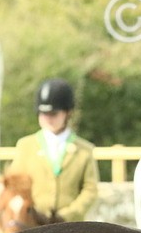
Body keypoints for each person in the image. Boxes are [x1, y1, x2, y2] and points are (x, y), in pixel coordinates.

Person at [6, 78, 98, 222]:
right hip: (32, 222)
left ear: (67, 113)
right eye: (43, 114)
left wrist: (67, 215)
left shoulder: (84, 150)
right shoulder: (25, 146)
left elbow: (90, 190)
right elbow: (15, 185)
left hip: (71, 224)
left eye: (54, 114)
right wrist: (28, 211)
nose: (48, 118)